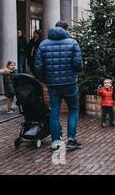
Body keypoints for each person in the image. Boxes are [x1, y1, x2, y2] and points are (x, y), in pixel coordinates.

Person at [35, 21, 83, 151]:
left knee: (54, 112)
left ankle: (56, 142)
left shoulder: (43, 44)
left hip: (52, 84)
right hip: (70, 83)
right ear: (66, 30)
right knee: (73, 110)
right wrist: (74, 73)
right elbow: (78, 64)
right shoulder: (72, 43)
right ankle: (71, 140)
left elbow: (38, 67)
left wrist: (45, 79)